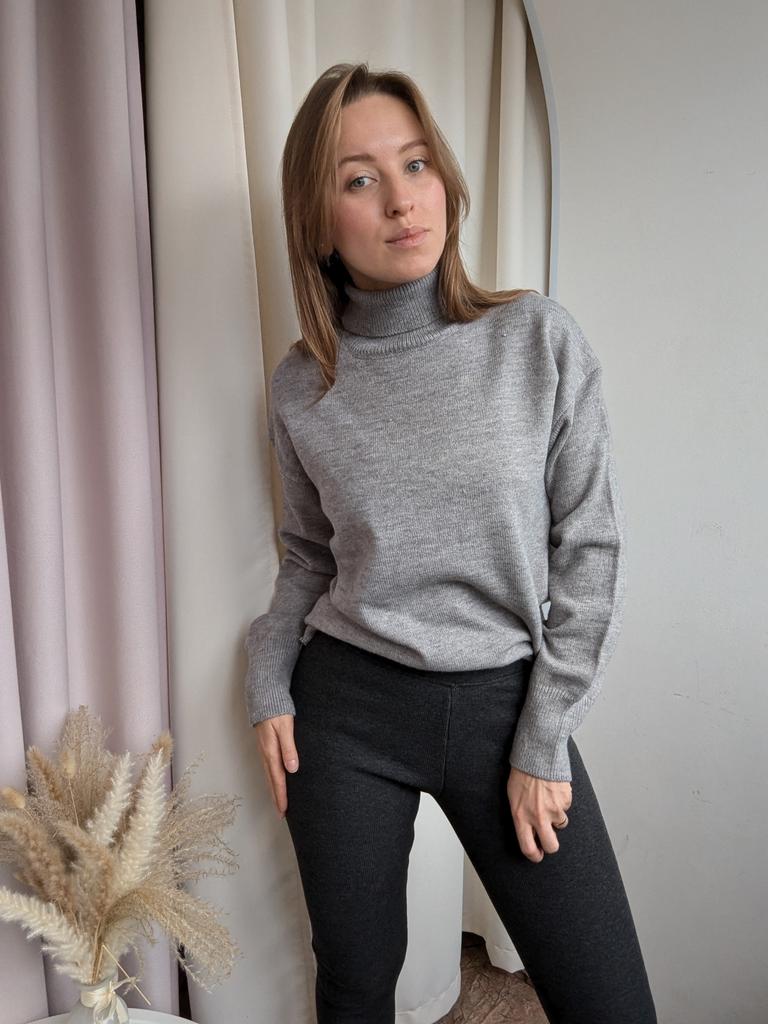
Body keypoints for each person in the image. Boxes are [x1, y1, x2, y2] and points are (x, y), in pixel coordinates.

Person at [244, 61, 657, 1024]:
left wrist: (543, 738)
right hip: (345, 709)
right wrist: (268, 674)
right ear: (318, 222)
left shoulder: (536, 339)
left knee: (608, 1002)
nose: (401, 199)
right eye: (360, 179)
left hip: (504, 707)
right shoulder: (302, 385)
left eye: (417, 163)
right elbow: (309, 555)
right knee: (354, 986)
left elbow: (590, 548)